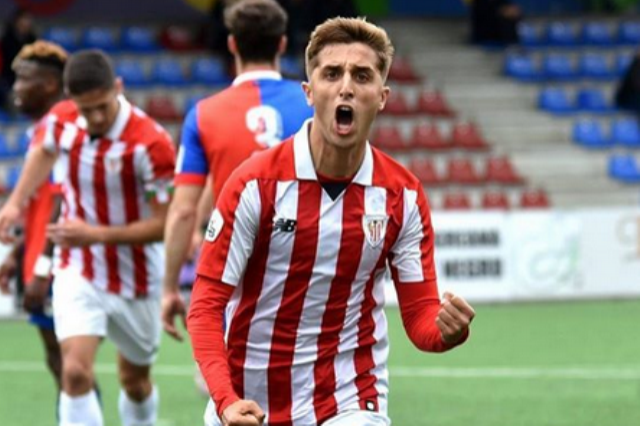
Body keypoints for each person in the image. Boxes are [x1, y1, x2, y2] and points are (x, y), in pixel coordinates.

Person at [187, 17, 476, 426]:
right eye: (332, 74)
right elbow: (205, 307)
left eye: (362, 75)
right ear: (309, 92)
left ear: (382, 96)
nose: (346, 87)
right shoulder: (255, 184)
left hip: (350, 394)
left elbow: (421, 319)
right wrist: (225, 400)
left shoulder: (402, 197)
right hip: (249, 401)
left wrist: (449, 332)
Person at [0, 49, 176, 426]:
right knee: (75, 373)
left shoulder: (152, 143)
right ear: (69, 99)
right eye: (85, 109)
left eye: (102, 106)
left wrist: (93, 234)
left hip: (137, 276)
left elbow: (165, 224)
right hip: (79, 268)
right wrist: (14, 204)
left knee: (135, 381)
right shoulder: (61, 120)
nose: (94, 118)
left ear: (118, 88)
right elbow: (42, 154)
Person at [162, 0, 313, 342]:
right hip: (305, 258)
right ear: (282, 44)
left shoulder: (203, 114)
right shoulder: (313, 105)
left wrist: (170, 286)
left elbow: (183, 208)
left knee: (228, 379)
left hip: (233, 261)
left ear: (232, 44)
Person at [0, 39, 67, 408]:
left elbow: (62, 199)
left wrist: (43, 265)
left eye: (23, 80)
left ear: (49, 85)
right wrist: (17, 255)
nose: (15, 89)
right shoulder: (38, 132)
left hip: (59, 260)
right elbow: (39, 204)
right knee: (59, 362)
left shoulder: (61, 128)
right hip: (41, 256)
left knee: (71, 363)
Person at [0, 8, 37, 110]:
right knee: (14, 97)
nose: (27, 22)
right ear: (16, 21)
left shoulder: (33, 40)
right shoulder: (5, 41)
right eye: (24, 19)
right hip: (9, 80)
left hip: (30, 79)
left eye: (28, 19)